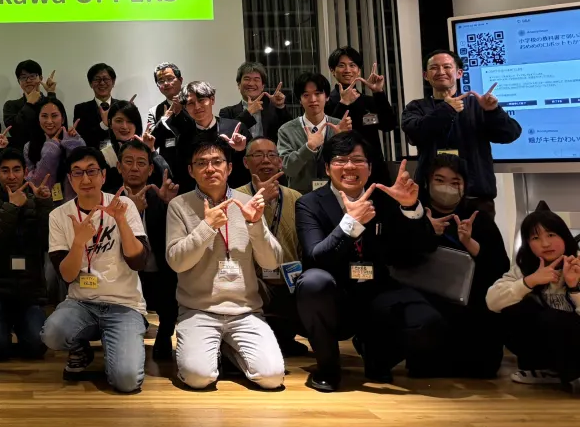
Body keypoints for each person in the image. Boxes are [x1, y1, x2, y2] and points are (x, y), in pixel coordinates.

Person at [293, 133, 442, 391]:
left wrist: (410, 207)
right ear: (327, 168)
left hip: (376, 292)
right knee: (312, 282)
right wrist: (350, 224)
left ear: (370, 168)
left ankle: (378, 358)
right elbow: (317, 255)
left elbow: (424, 246)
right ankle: (328, 368)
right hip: (333, 295)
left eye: (358, 160)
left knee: (429, 323)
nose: (349, 167)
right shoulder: (309, 204)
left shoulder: (385, 199)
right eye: (340, 160)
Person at [165, 139, 285, 390]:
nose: (210, 168)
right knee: (198, 378)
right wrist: (207, 227)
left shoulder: (246, 202)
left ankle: (226, 349)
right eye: (201, 163)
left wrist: (254, 225)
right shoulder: (179, 205)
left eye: (217, 162)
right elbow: (176, 262)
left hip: (245, 311)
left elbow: (272, 261)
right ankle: (215, 350)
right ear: (191, 171)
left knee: (272, 377)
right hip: (198, 309)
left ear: (229, 168)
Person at [41, 147, 149, 394]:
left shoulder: (124, 205)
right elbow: (67, 276)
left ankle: (120, 343)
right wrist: (79, 242)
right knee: (52, 334)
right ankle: (81, 349)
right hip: (81, 303)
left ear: (103, 175)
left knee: (127, 381)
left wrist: (121, 221)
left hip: (124, 305)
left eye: (91, 171)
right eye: (77, 173)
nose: (86, 179)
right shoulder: (59, 215)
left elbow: (138, 262)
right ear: (70, 179)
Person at [416, 154, 508, 378]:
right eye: (439, 180)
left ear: (465, 186)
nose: (446, 187)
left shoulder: (478, 218)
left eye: (455, 182)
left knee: (484, 368)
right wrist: (425, 233)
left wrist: (471, 244)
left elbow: (500, 268)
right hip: (426, 299)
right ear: (427, 182)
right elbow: (399, 260)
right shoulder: (416, 215)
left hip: (471, 301)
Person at [401, 49, 522, 211]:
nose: (441, 72)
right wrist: (447, 109)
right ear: (426, 75)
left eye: (447, 67)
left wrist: (493, 111)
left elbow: (510, 134)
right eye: (434, 68)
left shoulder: (477, 105)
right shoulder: (416, 107)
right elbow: (415, 134)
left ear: (459, 73)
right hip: (430, 197)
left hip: (476, 196)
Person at [486, 205, 580, 395]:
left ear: (564, 236)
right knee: (511, 307)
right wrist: (529, 282)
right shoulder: (524, 268)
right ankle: (549, 371)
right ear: (528, 244)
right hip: (543, 347)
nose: (545, 243)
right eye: (536, 238)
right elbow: (492, 302)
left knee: (554, 319)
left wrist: (574, 288)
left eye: (551, 235)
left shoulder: (577, 264)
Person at [0, 148, 51, 361]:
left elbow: (47, 242)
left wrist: (44, 205)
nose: (11, 176)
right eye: (5, 170)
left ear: (25, 172)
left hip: (29, 292)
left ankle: (20, 328)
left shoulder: (36, 200)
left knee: (36, 347)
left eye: (17, 170)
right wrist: (11, 207)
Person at [238, 137, 306, 355]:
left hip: (290, 278)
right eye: (258, 155)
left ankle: (286, 337)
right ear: (246, 162)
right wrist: (263, 202)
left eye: (271, 155)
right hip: (254, 280)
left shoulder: (296, 198)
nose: (265, 160)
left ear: (280, 162)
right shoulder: (236, 198)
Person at [117, 138, 180, 361]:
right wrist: (131, 211)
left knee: (172, 278)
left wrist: (169, 205)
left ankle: (165, 332)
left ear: (151, 169)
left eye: (141, 163)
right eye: (128, 162)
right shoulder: (109, 200)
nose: (134, 168)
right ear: (119, 167)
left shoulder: (160, 196)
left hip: (157, 271)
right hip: (123, 271)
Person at [154, 81, 250, 190]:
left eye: (201, 100)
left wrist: (241, 150)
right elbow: (182, 174)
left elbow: (251, 164)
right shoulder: (183, 137)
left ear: (212, 100)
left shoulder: (235, 128)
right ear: (185, 107)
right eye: (191, 103)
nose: (197, 107)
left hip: (234, 192)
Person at [325, 46, 397, 185]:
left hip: (373, 171)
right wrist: (343, 103)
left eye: (352, 65)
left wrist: (378, 92)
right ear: (332, 70)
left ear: (358, 71)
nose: (347, 70)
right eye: (341, 65)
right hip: (342, 171)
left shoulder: (368, 101)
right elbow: (328, 133)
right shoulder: (327, 102)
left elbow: (389, 125)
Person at [277, 72, 351, 193]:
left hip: (336, 195)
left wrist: (341, 139)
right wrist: (309, 147)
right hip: (299, 197)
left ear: (327, 96)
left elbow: (349, 165)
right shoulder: (286, 130)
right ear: (300, 100)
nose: (313, 99)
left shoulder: (339, 126)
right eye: (306, 95)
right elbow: (288, 169)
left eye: (318, 93)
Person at [100, 101, 170, 193]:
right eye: (119, 121)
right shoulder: (105, 155)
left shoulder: (147, 149)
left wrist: (152, 151)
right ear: (110, 123)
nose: (124, 126)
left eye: (130, 121)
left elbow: (167, 179)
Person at [1, 60, 62, 151]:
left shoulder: (50, 101)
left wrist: (51, 94)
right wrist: (29, 104)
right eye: (23, 77)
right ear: (19, 81)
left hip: (51, 152)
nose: (28, 80)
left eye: (32, 76)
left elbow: (60, 128)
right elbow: (15, 131)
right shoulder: (11, 105)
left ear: (40, 78)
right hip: (21, 153)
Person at [219, 61, 287, 142]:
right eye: (247, 79)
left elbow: (289, 132)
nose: (251, 83)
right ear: (239, 85)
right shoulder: (226, 112)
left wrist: (280, 106)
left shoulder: (273, 110)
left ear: (262, 86)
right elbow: (226, 137)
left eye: (256, 79)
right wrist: (248, 112)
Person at [71, 63, 120, 148]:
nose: (102, 83)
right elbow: (83, 138)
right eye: (97, 79)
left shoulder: (121, 107)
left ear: (113, 82)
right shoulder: (81, 109)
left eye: (106, 79)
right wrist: (103, 125)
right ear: (90, 83)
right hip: (91, 155)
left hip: (119, 154)